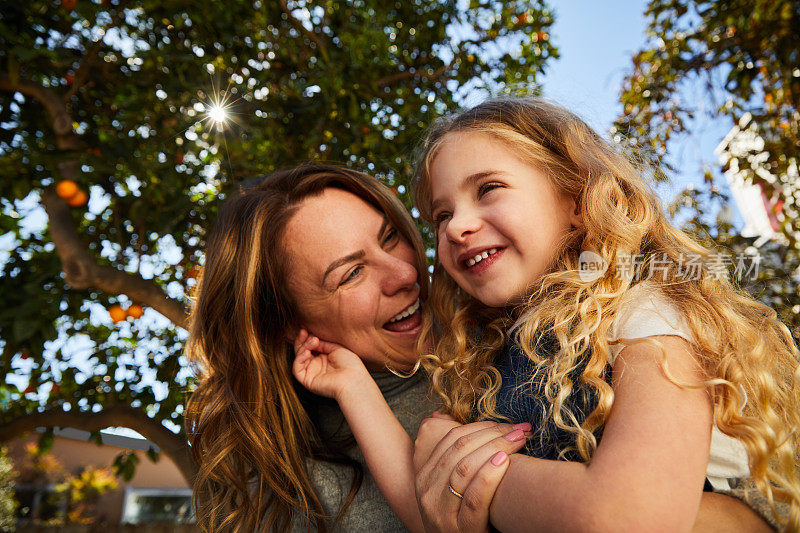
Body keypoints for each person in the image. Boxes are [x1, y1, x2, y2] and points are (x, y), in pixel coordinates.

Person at [186, 162, 772, 532]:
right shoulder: (287, 484)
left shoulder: (535, 329)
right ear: (290, 324)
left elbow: (750, 502)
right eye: (350, 274)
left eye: (393, 236)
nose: (403, 273)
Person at [411, 97, 800, 531]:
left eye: (488, 189)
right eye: (441, 215)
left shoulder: (642, 310)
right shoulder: (486, 363)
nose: (456, 226)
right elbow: (428, 512)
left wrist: (470, 477)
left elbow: (630, 517)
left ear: (575, 199)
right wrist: (357, 389)